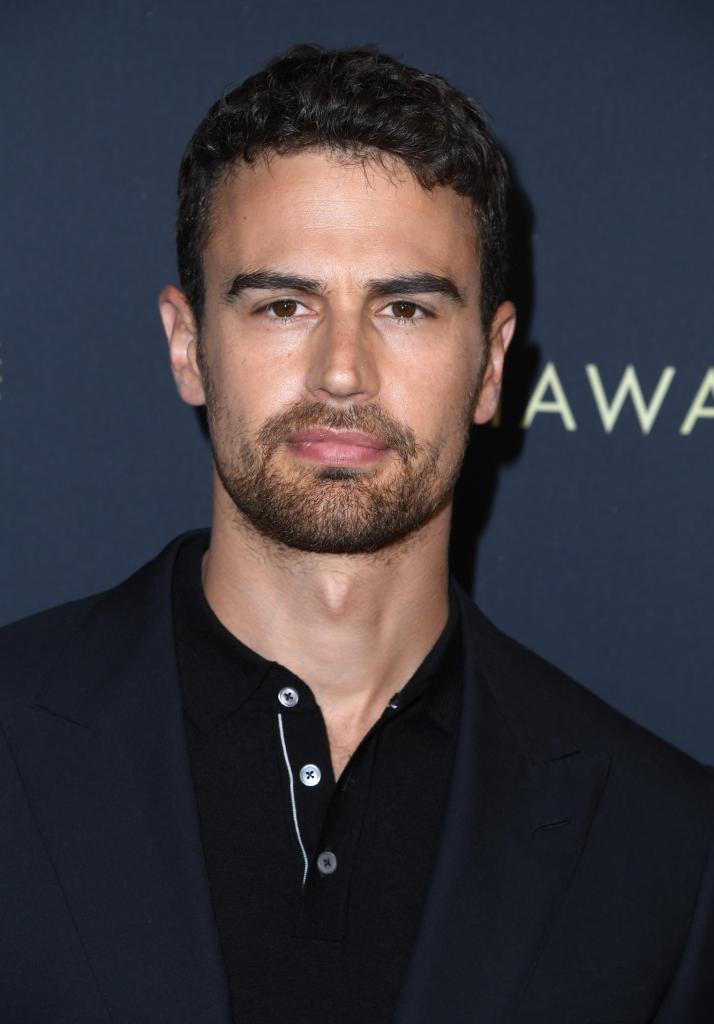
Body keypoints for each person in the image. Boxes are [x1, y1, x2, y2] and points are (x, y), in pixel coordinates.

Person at [1, 44, 712, 1024]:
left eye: (406, 308)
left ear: (493, 364)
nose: (343, 372)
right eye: (285, 305)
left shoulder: (664, 847)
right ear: (187, 344)